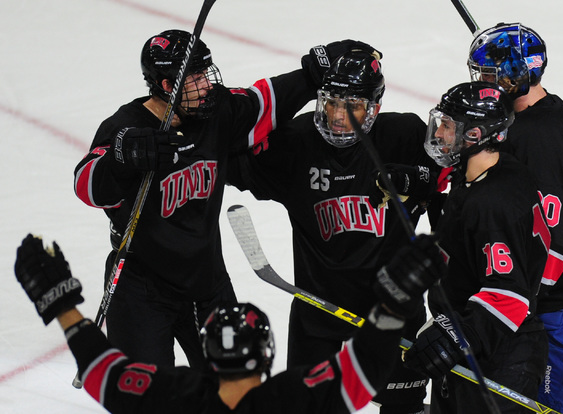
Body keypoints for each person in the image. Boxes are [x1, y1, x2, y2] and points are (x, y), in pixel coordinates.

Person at [73, 29, 379, 370]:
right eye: (195, 77)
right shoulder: (126, 128)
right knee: (144, 399)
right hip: (142, 287)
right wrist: (122, 156)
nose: (206, 84)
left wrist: (311, 73)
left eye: (205, 73)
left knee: (231, 389)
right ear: (165, 86)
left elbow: (263, 102)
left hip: (205, 281)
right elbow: (87, 186)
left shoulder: (215, 111)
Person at [227, 50, 449, 414]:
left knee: (402, 408)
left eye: (354, 106)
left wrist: (417, 180)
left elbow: (457, 177)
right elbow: (230, 145)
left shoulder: (403, 136)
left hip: (392, 307)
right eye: (331, 103)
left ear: (374, 107)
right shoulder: (295, 142)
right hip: (319, 312)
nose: (339, 117)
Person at [13, 230, 444, 413]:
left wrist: (62, 306)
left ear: (208, 351)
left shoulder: (172, 397)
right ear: (266, 353)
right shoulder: (291, 401)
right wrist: (393, 303)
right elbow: (366, 369)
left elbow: (100, 371)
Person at [467, 23, 563, 413]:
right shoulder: (535, 114)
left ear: (518, 74)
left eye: (489, 76)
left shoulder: (539, 134)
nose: (482, 85)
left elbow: (562, 239)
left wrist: (516, 299)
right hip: (561, 302)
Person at [401, 81, 551, 413]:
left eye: (448, 126)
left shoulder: (494, 203)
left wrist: (455, 335)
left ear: (475, 134)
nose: (439, 134)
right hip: (474, 344)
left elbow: (509, 295)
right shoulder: (488, 171)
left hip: (500, 354)